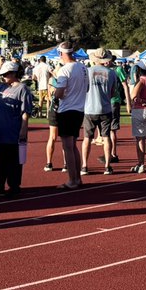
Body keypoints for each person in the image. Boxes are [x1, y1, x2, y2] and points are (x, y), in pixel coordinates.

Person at [0, 61, 33, 198]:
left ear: (14, 73)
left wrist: (23, 130)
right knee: (0, 160)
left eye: (5, 74)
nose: (3, 76)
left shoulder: (22, 89)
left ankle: (14, 185)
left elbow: (26, 112)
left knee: (13, 160)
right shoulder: (1, 86)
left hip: (12, 131)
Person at [50, 41, 88, 189]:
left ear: (61, 53)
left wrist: (54, 93)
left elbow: (59, 92)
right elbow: (86, 88)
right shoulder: (83, 67)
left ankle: (72, 180)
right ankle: (77, 178)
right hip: (79, 109)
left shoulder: (64, 70)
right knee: (73, 146)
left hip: (67, 110)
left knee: (67, 147)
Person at [82, 48, 120, 177]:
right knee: (106, 137)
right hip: (105, 108)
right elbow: (113, 92)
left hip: (89, 109)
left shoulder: (87, 72)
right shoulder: (111, 73)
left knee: (87, 138)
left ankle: (84, 165)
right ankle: (107, 166)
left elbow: (84, 89)